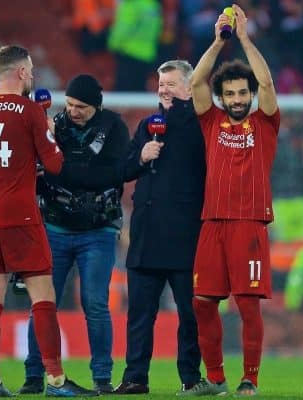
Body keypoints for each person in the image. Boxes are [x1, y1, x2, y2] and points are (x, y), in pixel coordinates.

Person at [0, 45, 98, 398]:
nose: (33, 76)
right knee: (43, 296)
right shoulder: (28, 110)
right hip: (19, 213)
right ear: (22, 72)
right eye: (31, 71)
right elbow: (54, 164)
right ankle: (55, 379)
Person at [189, 4, 280, 397]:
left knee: (247, 304)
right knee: (202, 302)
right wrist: (217, 42)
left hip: (249, 224)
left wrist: (243, 39)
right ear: (223, 97)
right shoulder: (211, 122)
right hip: (213, 223)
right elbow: (195, 84)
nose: (238, 98)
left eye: (243, 93)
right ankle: (216, 379)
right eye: (231, 93)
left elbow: (269, 84)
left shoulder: (266, 123)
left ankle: (251, 379)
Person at [19, 74, 129, 395]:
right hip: (54, 227)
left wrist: (60, 168)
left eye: (81, 106)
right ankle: (33, 375)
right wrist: (48, 144)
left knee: (95, 303)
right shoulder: (52, 126)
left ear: (97, 106)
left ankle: (102, 378)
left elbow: (108, 175)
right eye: (69, 105)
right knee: (42, 303)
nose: (73, 111)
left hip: (99, 230)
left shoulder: (115, 128)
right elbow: (37, 169)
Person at [113, 59, 206, 395]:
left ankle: (191, 378)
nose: (163, 90)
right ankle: (135, 378)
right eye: (160, 84)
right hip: (147, 234)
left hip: (185, 236)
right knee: (139, 315)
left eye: (170, 83)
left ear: (188, 87)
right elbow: (123, 170)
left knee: (190, 315)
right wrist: (142, 157)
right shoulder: (147, 126)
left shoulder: (199, 124)